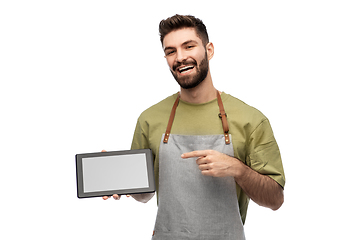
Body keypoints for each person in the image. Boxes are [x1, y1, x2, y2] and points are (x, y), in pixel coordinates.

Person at [103, 14, 285, 239]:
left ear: (209, 50)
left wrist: (237, 169)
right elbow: (144, 194)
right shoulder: (150, 119)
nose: (180, 57)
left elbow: (275, 200)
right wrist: (120, 180)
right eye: (171, 51)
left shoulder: (250, 120)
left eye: (189, 46)